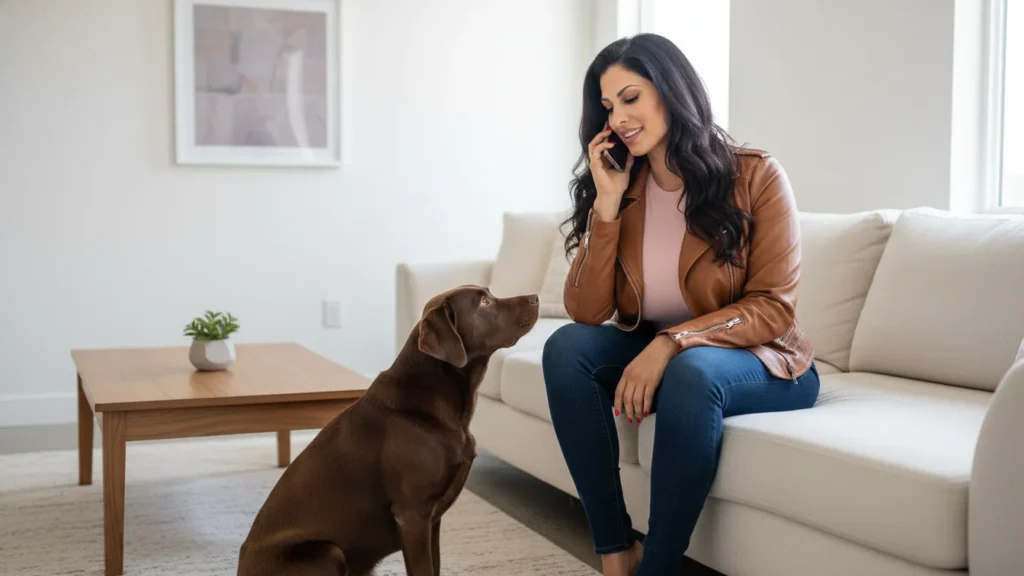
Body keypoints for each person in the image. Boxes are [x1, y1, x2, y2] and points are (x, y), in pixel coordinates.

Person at [543, 33, 820, 576]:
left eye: (630, 97)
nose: (618, 117)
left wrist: (674, 341)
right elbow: (585, 311)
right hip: (667, 348)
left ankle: (659, 567)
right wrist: (606, 203)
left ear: (670, 92)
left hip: (763, 359)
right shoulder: (626, 184)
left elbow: (773, 306)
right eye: (607, 106)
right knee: (565, 348)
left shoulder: (755, 175)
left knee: (692, 371)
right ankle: (616, 551)